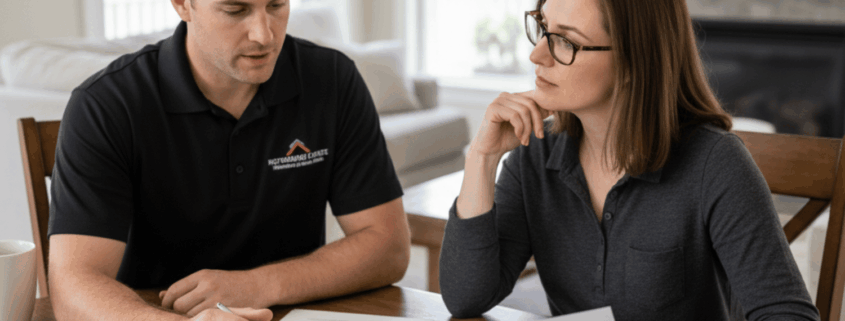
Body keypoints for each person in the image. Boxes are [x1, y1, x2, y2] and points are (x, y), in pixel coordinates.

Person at [439, 0, 820, 320]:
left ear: (633, 61)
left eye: (566, 41)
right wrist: (483, 157)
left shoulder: (715, 163)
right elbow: (466, 298)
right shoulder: (535, 151)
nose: (536, 54)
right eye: (543, 28)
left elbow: (787, 313)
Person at [47, 0, 411, 320]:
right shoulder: (106, 104)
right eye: (235, 10)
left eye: (276, 5)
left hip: (291, 311)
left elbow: (389, 247)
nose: (264, 35)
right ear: (182, 4)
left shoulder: (332, 79)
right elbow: (73, 284)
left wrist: (258, 285)